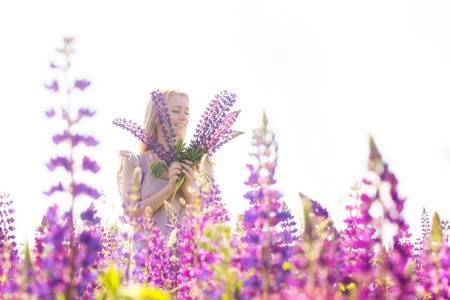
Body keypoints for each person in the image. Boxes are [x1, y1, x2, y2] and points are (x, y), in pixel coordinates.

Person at [117, 88, 213, 236]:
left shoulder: (200, 162)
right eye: (176, 111)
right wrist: (169, 188)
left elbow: (210, 220)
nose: (184, 118)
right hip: (149, 256)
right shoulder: (136, 162)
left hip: (188, 256)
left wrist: (188, 189)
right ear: (157, 117)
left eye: (187, 113)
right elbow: (131, 215)